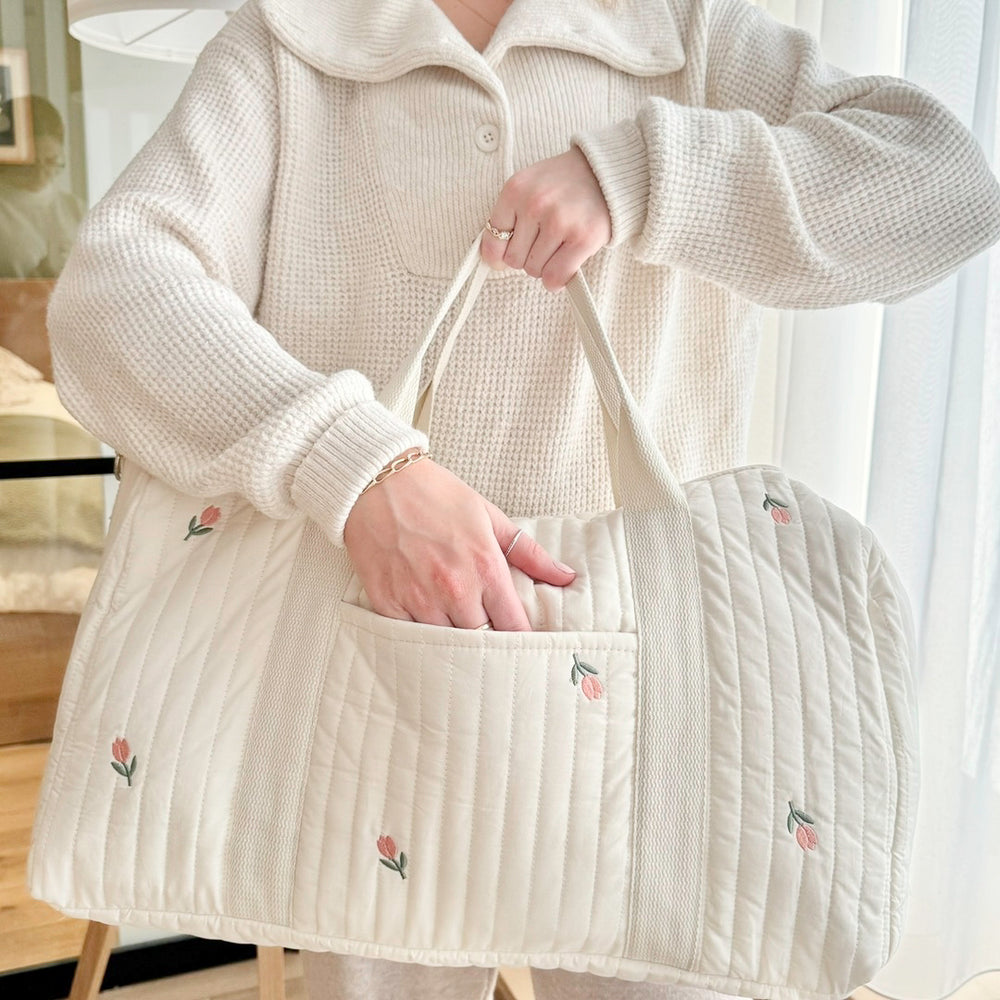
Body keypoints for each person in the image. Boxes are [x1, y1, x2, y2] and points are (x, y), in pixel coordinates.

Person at [46, 0, 1000, 998]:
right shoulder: (295, 40)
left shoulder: (681, 29)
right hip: (373, 664)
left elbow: (938, 185)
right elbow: (117, 290)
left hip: (650, 683)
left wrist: (642, 175)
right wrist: (358, 467)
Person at [0, 95, 84, 278]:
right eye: (29, 163)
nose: (39, 174)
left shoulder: (74, 208)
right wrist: (27, 288)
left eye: (50, 161)